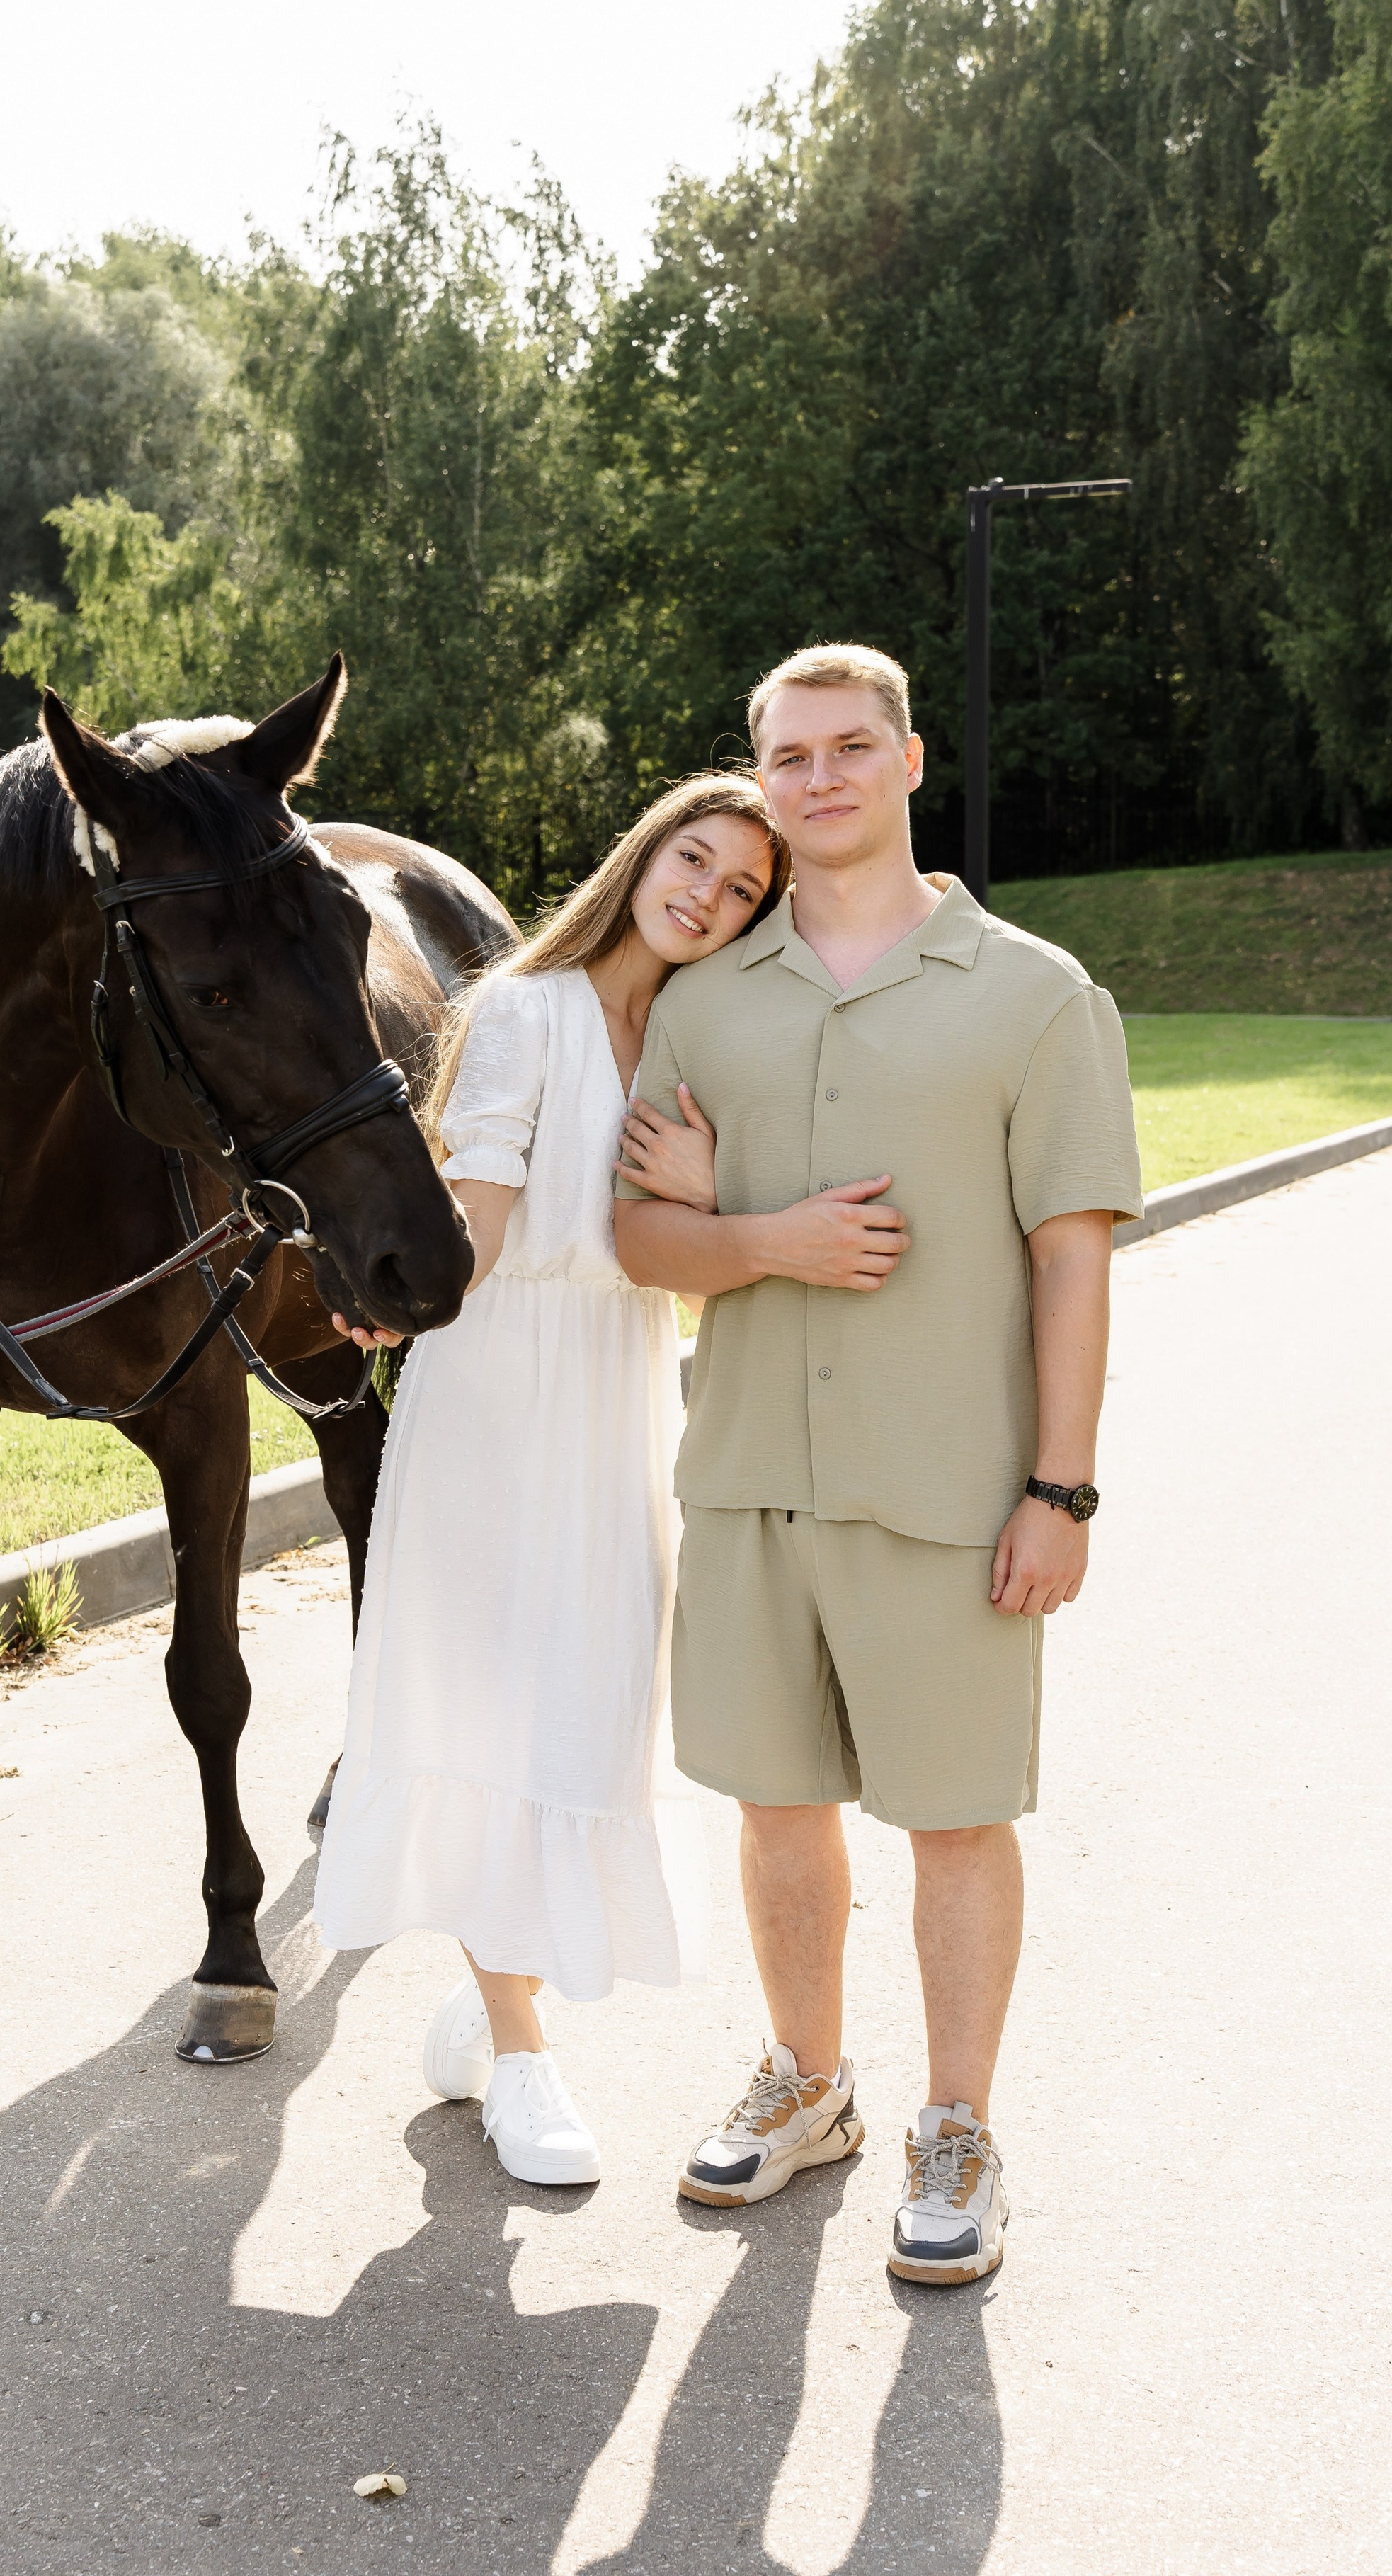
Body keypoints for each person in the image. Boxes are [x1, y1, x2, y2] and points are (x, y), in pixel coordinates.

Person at [615, 642, 1143, 2284]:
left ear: (909, 764)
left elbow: (1071, 1257)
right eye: (787, 758)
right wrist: (753, 1236)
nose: (819, 779)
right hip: (753, 1474)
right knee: (777, 1809)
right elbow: (644, 1239)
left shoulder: (1036, 994)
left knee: (955, 1818)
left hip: (950, 1490)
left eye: (850, 749)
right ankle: (808, 2088)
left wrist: (1057, 1492)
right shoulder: (700, 1000)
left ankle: (958, 2125)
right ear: (757, 779)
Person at [312, 777, 789, 2187]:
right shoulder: (524, 1007)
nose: (704, 894)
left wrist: (710, 1194)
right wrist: (399, 1291)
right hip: (497, 1399)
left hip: (620, 1388)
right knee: (485, 1716)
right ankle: (522, 2058)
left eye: (740, 890)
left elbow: (681, 1252)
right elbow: (485, 1212)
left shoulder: (694, 1036)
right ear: (643, 855)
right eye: (691, 859)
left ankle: (487, 1995)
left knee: (585, 1718)